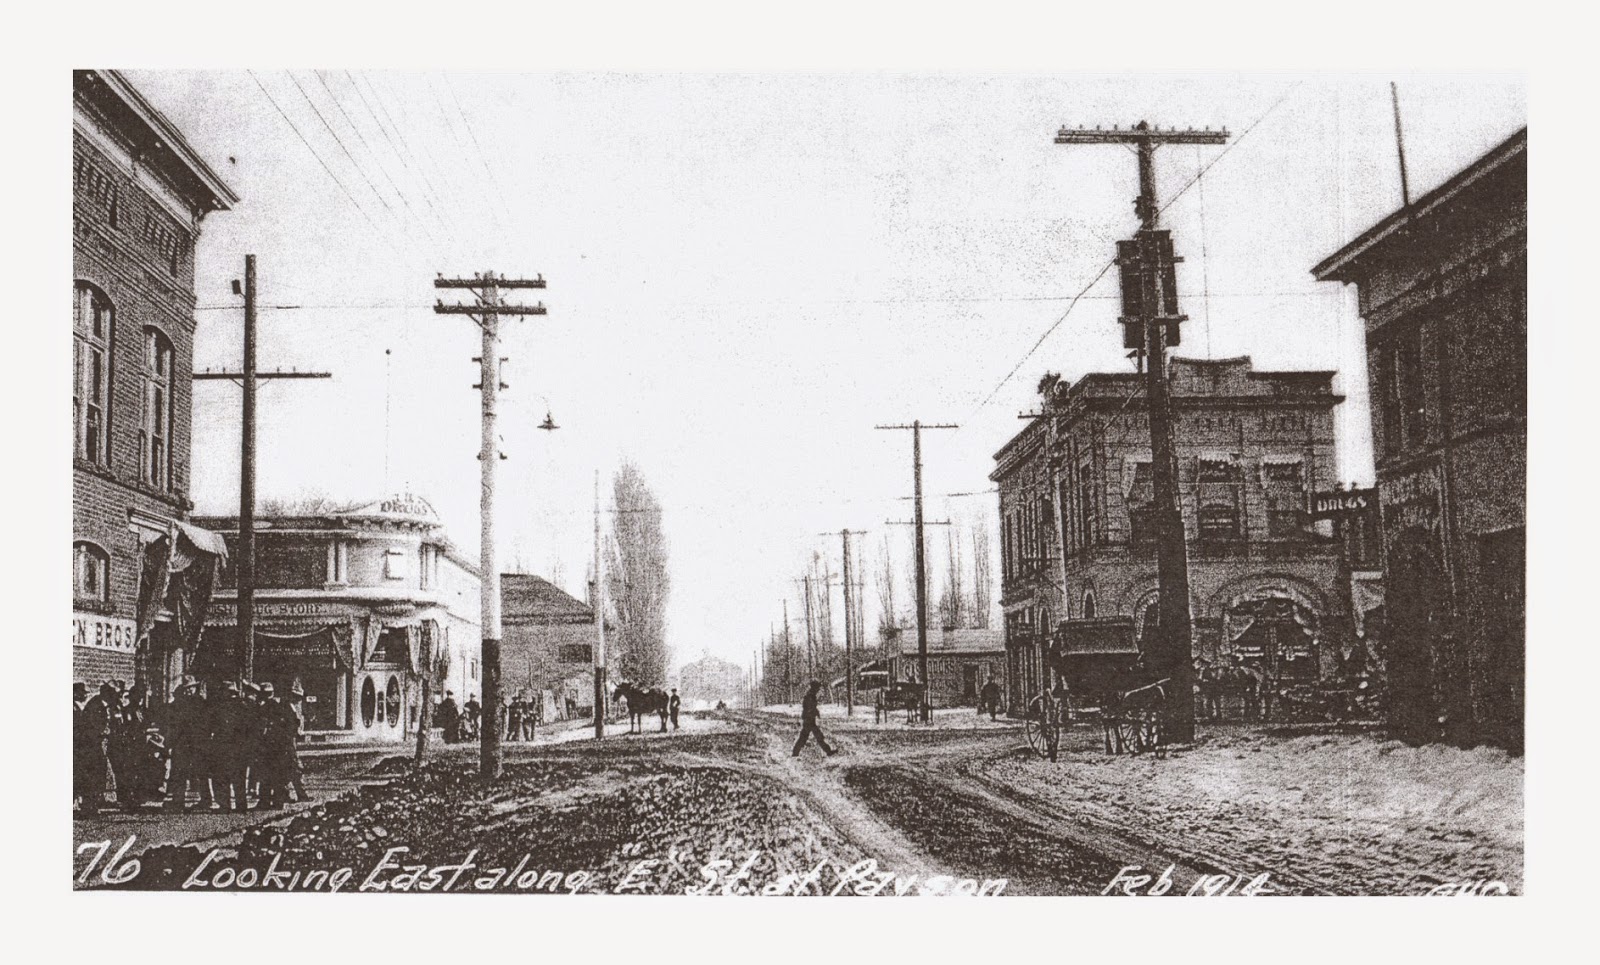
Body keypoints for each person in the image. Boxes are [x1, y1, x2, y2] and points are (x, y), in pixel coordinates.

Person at [165, 676, 213, 812]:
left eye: (191, 688)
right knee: (179, 771)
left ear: (195, 688)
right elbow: (174, 724)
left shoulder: (202, 704)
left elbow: (207, 724)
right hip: (182, 743)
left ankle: (206, 800)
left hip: (198, 743)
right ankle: (178, 802)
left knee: (201, 772)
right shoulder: (180, 704)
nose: (188, 691)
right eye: (186, 689)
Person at [74, 683, 115, 815]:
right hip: (88, 746)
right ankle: (88, 805)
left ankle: (91, 804)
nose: (85, 695)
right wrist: (102, 733)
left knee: (96, 774)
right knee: (91, 775)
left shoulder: (91, 705)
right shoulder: (93, 706)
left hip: (93, 745)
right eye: (83, 693)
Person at [791, 681, 836, 758]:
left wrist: (816, 712)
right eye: (817, 688)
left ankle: (828, 751)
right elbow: (808, 708)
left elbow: (811, 707)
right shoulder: (810, 696)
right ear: (814, 688)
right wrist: (814, 712)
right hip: (809, 720)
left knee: (815, 736)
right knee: (808, 737)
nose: (818, 690)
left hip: (810, 719)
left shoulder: (811, 695)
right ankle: (795, 753)